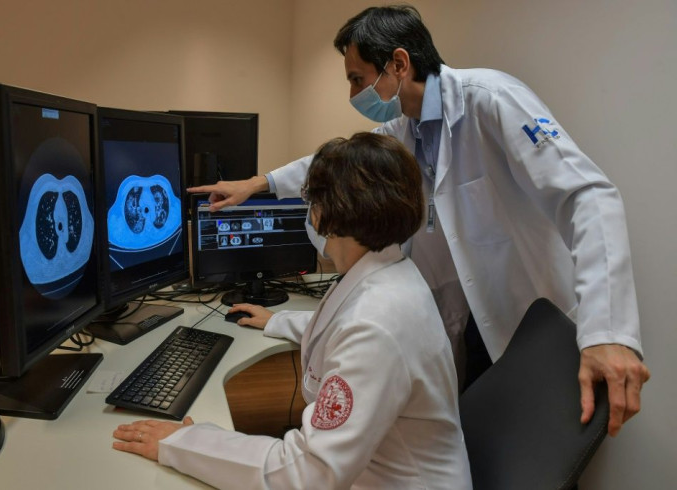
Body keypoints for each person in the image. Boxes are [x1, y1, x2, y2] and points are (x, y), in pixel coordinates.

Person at [188, 5, 650, 437]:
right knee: (483, 440)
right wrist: (260, 183)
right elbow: (340, 161)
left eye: (357, 79)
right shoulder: (405, 128)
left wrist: (607, 331)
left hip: (527, 311)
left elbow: (587, 195)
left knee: (531, 449)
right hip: (466, 316)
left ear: (399, 64)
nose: (352, 95)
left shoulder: (492, 100)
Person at [112, 132, 473, 489]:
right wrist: (279, 320)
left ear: (326, 213)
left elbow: (306, 474)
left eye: (309, 198)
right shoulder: (391, 275)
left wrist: (185, 444)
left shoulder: (375, 326)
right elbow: (346, 331)